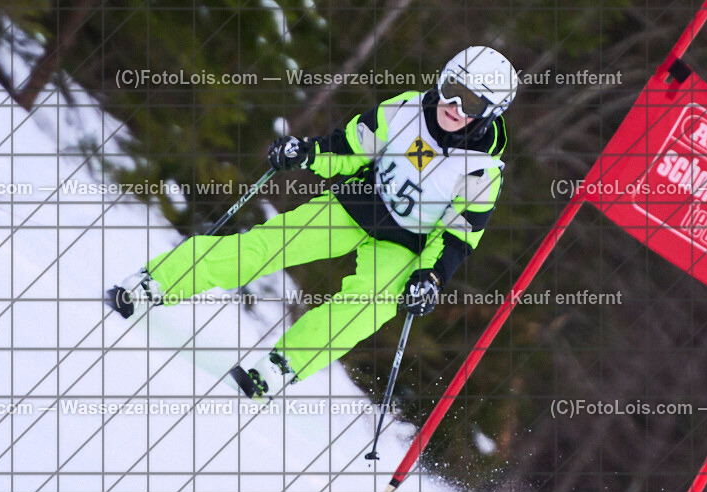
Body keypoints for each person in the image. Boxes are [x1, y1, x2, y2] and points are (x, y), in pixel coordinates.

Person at [108, 46, 518, 398]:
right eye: (451, 88)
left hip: (407, 242)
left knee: (368, 305)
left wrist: (431, 277)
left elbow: (458, 236)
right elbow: (351, 147)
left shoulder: (483, 170)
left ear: (489, 113)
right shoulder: (407, 109)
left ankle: (283, 365)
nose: (454, 106)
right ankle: (157, 282)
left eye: (471, 103)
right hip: (360, 202)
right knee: (269, 245)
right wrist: (306, 153)